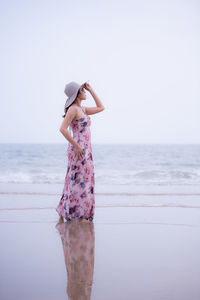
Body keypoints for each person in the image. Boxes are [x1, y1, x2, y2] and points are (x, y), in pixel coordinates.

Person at [56, 81, 105, 223]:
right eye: (82, 90)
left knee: (83, 180)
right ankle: (77, 215)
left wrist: (91, 89)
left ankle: (68, 211)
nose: (84, 92)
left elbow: (101, 107)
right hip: (78, 150)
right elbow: (63, 129)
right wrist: (76, 146)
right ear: (77, 93)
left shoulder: (82, 109)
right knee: (78, 181)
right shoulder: (73, 109)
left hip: (85, 150)